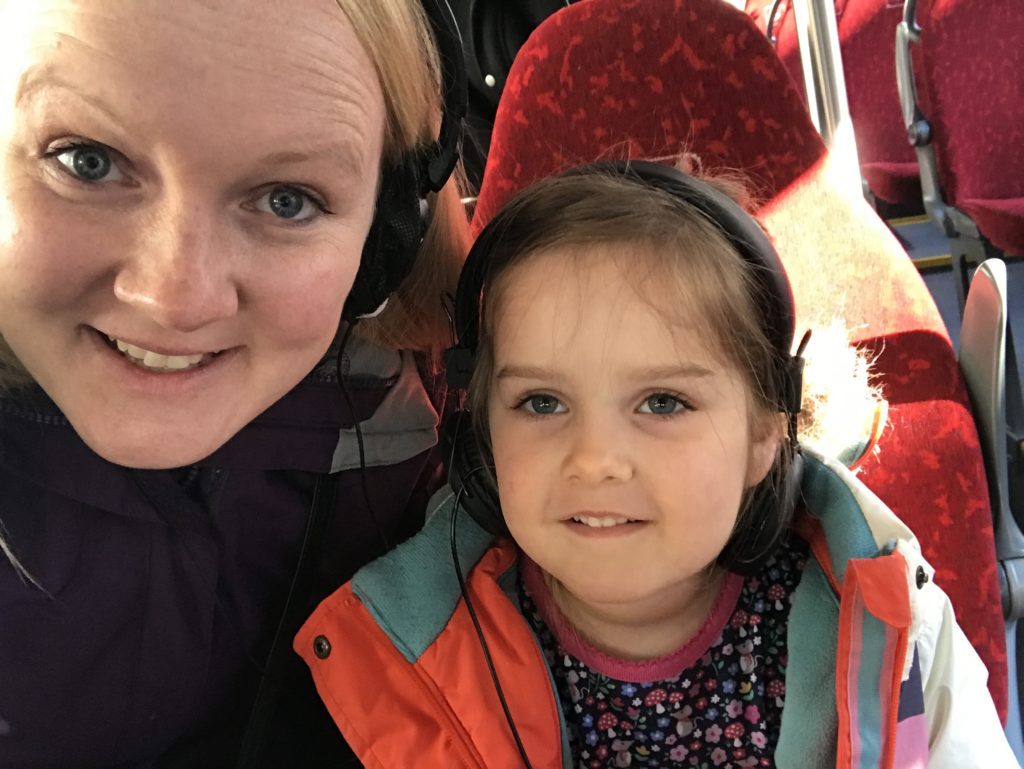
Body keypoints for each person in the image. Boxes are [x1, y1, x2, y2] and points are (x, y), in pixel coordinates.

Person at [296, 160, 1016, 768]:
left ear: (766, 433)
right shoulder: (408, 653)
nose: (597, 460)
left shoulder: (895, 626)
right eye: (542, 403)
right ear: (482, 436)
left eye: (664, 402)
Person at [0, 1, 469, 767]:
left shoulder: (409, 446)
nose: (176, 298)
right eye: (85, 159)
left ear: (385, 240)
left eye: (288, 199)